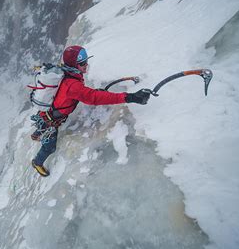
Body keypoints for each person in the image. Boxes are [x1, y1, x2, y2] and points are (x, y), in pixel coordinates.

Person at [31, 45, 150, 177]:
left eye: (86, 61)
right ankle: (37, 162)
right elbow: (92, 97)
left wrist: (89, 92)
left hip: (47, 113)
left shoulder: (66, 72)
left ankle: (37, 133)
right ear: (74, 64)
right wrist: (129, 97)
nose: (86, 65)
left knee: (43, 123)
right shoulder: (72, 85)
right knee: (50, 147)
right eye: (82, 63)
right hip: (51, 119)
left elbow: (82, 93)